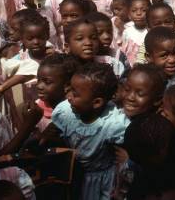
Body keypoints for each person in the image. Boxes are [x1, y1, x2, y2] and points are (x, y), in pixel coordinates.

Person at [50, 63, 130, 199]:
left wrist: (126, 157)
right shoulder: (65, 111)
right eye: (70, 90)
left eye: (75, 94)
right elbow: (55, 130)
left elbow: (130, 142)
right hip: (73, 173)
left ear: (97, 102)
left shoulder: (113, 123)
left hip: (101, 179)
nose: (68, 97)